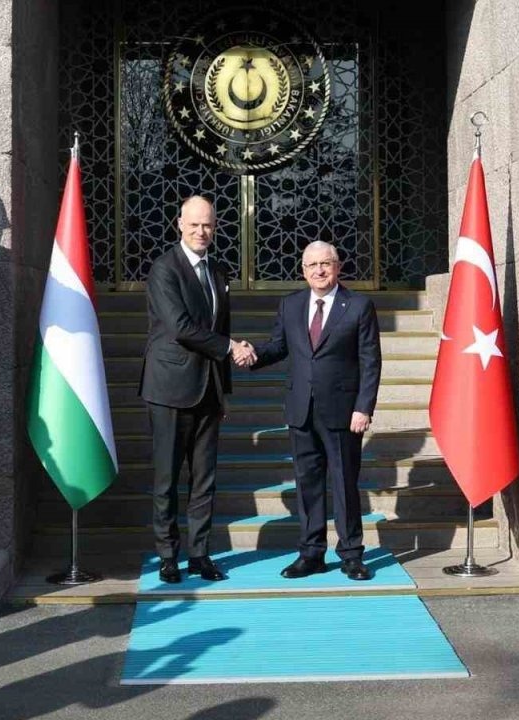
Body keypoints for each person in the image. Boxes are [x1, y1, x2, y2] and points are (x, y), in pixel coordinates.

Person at [248, 240, 382, 581]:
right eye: (312, 265)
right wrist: (252, 354)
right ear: (303, 270)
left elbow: (370, 361)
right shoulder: (290, 305)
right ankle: (311, 554)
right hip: (301, 410)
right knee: (307, 485)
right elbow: (279, 346)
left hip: (342, 412)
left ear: (338, 267)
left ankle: (351, 554)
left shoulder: (359, 305)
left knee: (344, 485)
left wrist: (363, 407)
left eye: (326, 264)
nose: (319, 271)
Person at [140, 195, 255, 584]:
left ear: (215, 227)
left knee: (205, 480)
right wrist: (230, 348)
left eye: (207, 225)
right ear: (179, 224)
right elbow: (180, 327)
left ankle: (200, 555)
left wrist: (224, 389)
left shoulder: (218, 272)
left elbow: (220, 327)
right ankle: (168, 557)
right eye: (194, 224)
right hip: (170, 388)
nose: (201, 231)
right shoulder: (163, 269)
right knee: (167, 480)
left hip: (208, 390)